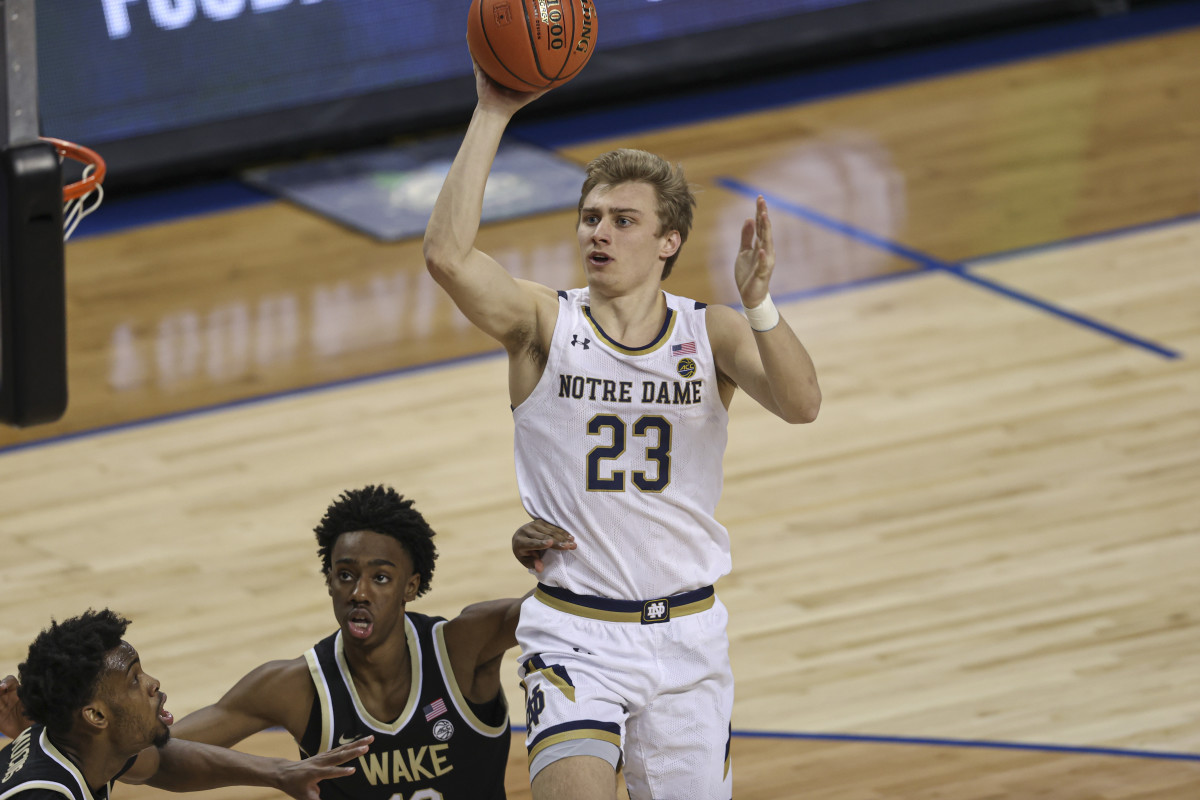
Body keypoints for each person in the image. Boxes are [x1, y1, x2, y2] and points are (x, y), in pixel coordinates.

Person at [422, 63, 821, 800]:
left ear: (668, 241)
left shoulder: (712, 332)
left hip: (688, 636)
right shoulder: (545, 324)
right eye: (590, 216)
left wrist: (760, 304)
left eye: (622, 220)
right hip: (577, 634)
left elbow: (802, 405)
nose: (598, 232)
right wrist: (492, 111)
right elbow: (447, 257)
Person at [163, 484, 546, 800]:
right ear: (329, 581)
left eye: (380, 578)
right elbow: (151, 756)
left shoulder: (462, 647)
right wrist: (273, 771)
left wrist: (543, 563)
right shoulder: (295, 688)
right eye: (345, 575)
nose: (359, 593)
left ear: (410, 586)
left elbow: (572, 608)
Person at [0, 609, 368, 800]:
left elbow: (163, 762)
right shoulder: (45, 794)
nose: (152, 683)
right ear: (96, 715)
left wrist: (280, 773)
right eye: (134, 680)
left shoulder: (78, 743)